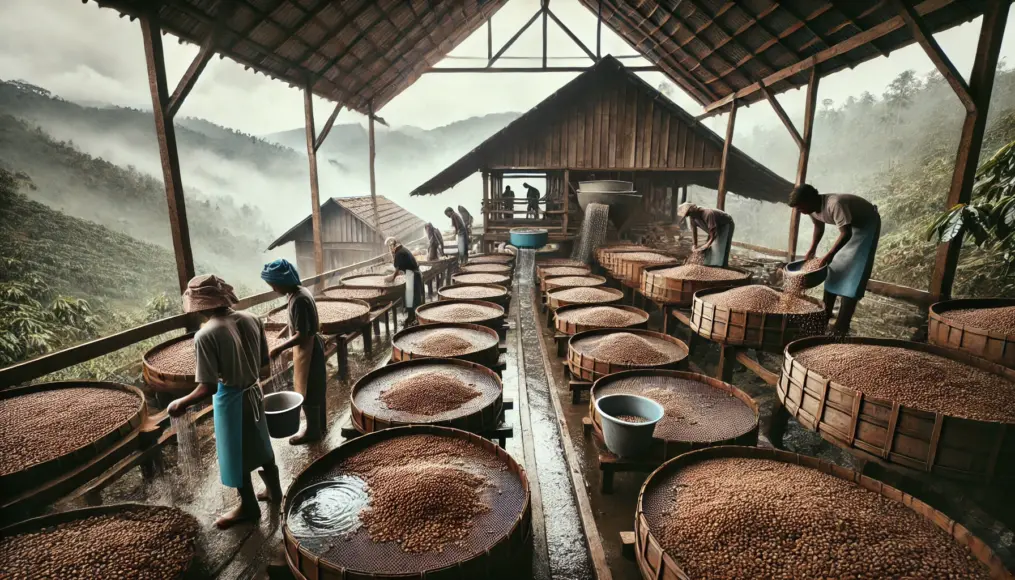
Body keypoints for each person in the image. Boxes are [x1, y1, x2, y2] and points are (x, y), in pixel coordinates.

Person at [167, 274, 281, 529]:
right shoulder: (252, 319)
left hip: (231, 400)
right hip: (254, 392)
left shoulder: (206, 335)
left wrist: (181, 404)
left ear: (200, 305)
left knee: (235, 454)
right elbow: (264, 365)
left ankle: (248, 507)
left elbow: (208, 387)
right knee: (261, 444)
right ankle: (275, 491)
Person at [789, 184, 881, 335]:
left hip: (867, 225)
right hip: (851, 228)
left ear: (811, 199)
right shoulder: (812, 209)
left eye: (800, 207)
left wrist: (829, 255)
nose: (800, 212)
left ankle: (841, 326)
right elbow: (819, 227)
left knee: (854, 274)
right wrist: (812, 249)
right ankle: (825, 315)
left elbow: (846, 233)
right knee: (834, 270)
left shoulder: (835, 204)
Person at [261, 258, 327, 444]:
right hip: (311, 347)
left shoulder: (299, 300)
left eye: (274, 285)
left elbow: (302, 335)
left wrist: (278, 348)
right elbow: (297, 326)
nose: (273, 289)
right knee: (315, 388)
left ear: (283, 282)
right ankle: (320, 426)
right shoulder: (298, 292)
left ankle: (313, 432)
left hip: (309, 350)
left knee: (309, 390)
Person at [677, 202, 735, 267]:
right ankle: (711, 264)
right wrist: (694, 245)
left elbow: (713, 234)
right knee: (711, 249)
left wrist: (707, 244)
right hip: (714, 228)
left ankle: (722, 267)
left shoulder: (708, 213)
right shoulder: (692, 217)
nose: (688, 216)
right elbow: (694, 231)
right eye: (687, 215)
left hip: (726, 224)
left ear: (693, 210)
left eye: (688, 213)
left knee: (721, 251)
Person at [386, 237, 425, 325]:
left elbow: (397, 269)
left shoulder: (399, 253)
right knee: (411, 297)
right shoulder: (402, 250)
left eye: (390, 247)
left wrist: (391, 277)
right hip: (413, 274)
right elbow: (402, 267)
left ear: (392, 246)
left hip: (413, 275)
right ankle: (412, 318)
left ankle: (416, 320)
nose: (390, 250)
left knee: (413, 298)